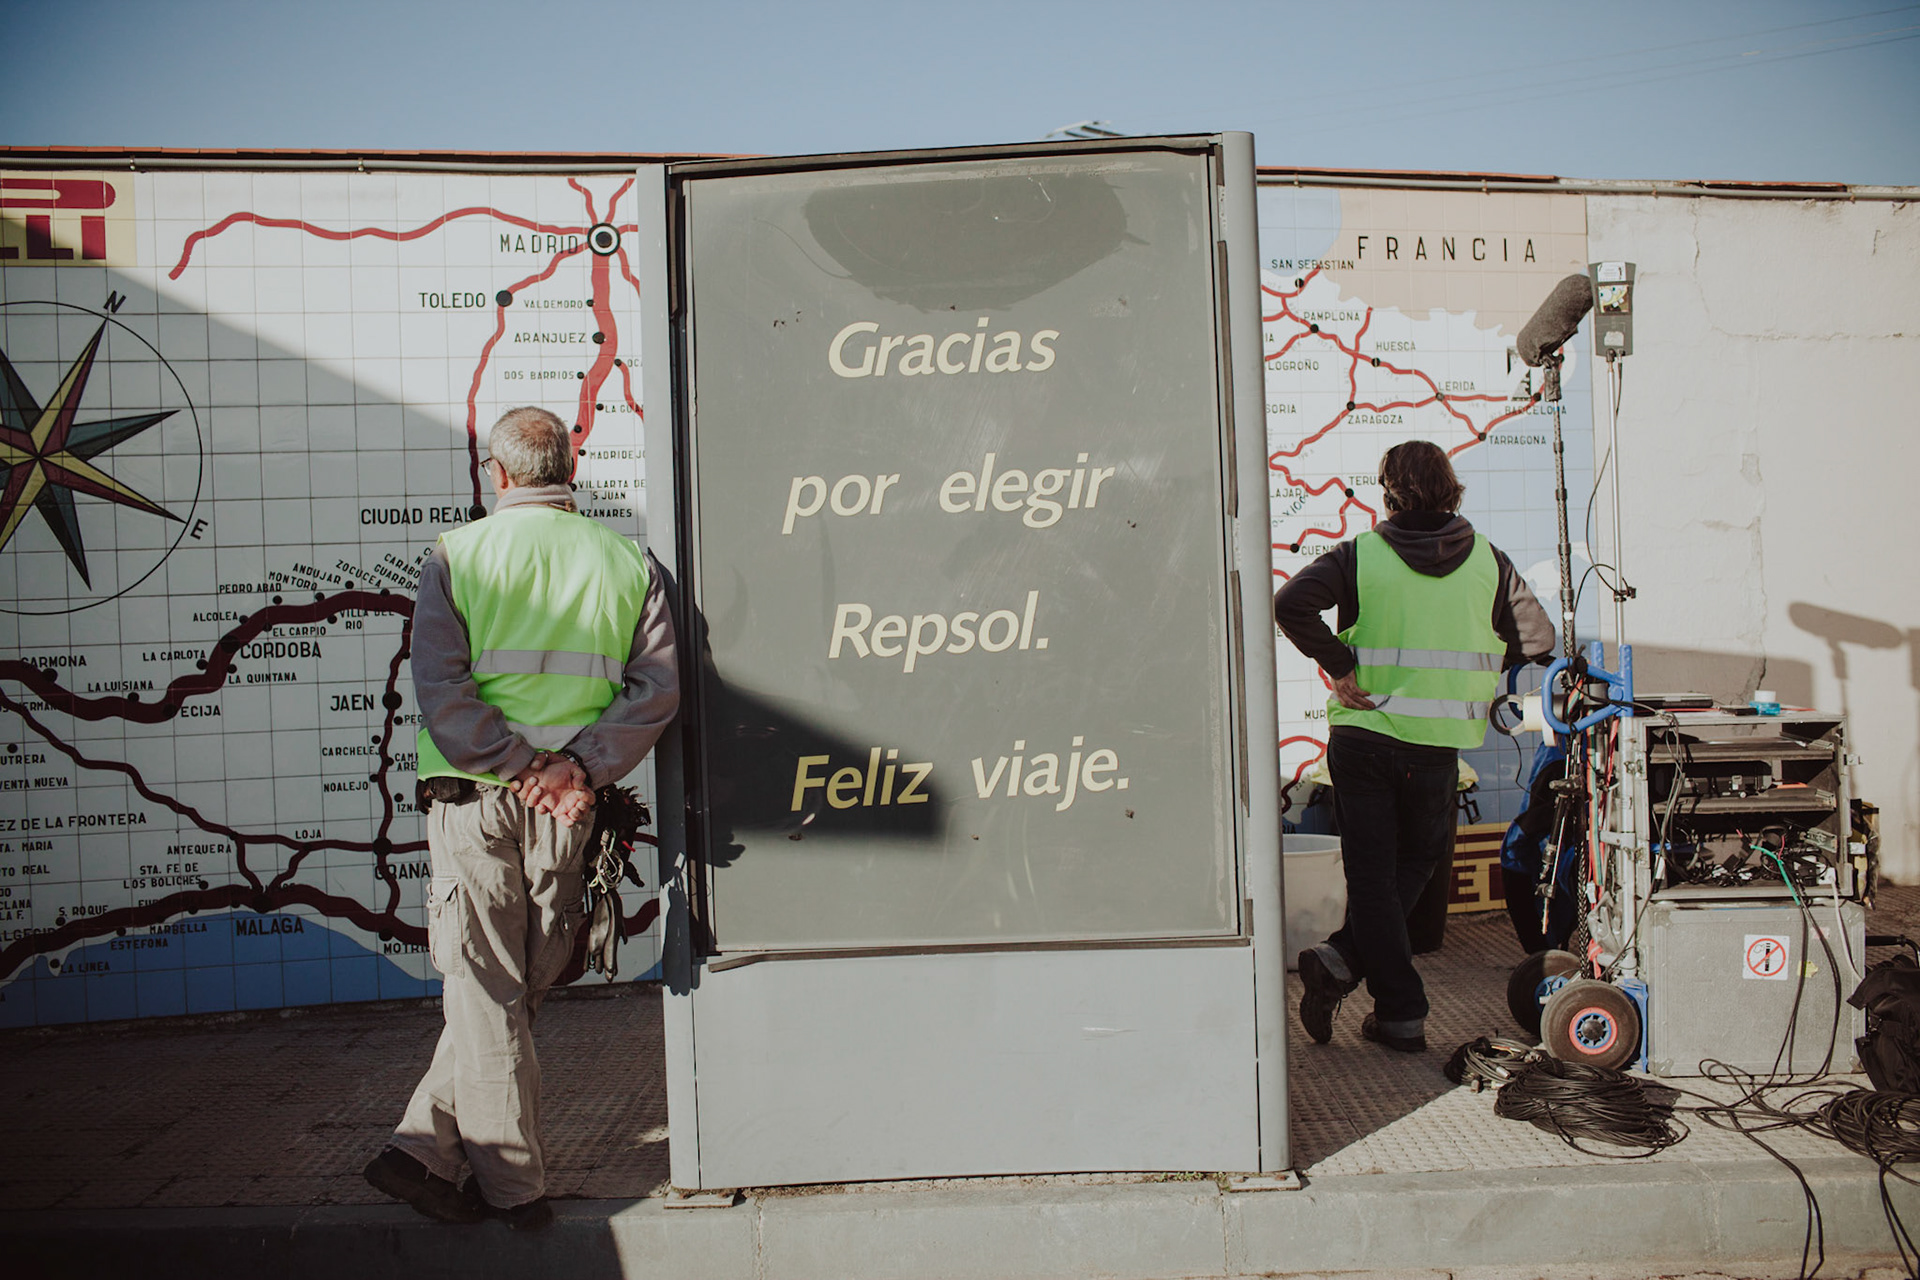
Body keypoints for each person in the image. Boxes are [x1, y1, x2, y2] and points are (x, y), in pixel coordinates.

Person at [363, 406, 678, 1228]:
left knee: (491, 986)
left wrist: (518, 765)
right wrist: (577, 768)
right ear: (569, 470)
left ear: (497, 474)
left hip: (475, 798)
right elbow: (655, 690)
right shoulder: (627, 562)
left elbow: (441, 687)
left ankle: (481, 1176)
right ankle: (449, 1164)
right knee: (510, 985)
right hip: (569, 806)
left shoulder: (455, 556)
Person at [1274, 440, 1552, 1053]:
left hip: (1364, 736)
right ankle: (1387, 1000)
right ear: (1452, 489)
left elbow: (1290, 603)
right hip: (1436, 745)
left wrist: (1340, 664)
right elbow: (1538, 641)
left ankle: (1362, 977)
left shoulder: (1360, 555)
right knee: (1416, 865)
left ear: (1389, 493)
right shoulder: (1489, 561)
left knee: (1374, 876)